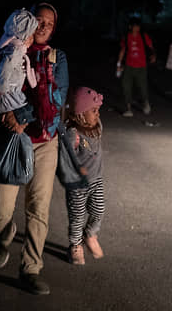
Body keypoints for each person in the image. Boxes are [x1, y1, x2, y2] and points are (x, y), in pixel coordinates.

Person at [0, 2, 67, 296]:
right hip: (9, 140)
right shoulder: (9, 47)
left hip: (43, 143)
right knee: (0, 206)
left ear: (54, 29)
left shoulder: (58, 59)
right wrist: (1, 111)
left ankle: (30, 269)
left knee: (38, 208)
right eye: (38, 20)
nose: (42, 26)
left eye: (49, 23)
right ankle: (4, 235)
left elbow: (56, 101)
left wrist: (22, 117)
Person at [57, 87, 106, 265]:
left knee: (99, 209)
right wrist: (77, 169)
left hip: (96, 179)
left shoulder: (96, 127)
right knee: (77, 217)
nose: (97, 115)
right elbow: (65, 156)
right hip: (78, 184)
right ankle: (75, 245)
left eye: (98, 111)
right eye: (93, 111)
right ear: (80, 114)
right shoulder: (73, 134)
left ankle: (90, 234)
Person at [0, 8, 38, 125]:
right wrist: (1, 89)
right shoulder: (15, 50)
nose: (32, 41)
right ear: (25, 36)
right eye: (31, 36)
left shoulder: (4, 46)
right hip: (5, 96)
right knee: (28, 110)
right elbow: (6, 68)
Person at [117, 15, 155, 117]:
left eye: (138, 26)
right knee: (126, 87)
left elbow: (150, 47)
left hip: (141, 66)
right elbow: (123, 50)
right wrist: (119, 64)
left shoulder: (143, 36)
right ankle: (128, 109)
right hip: (129, 66)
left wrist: (153, 55)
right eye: (134, 26)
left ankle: (145, 103)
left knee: (142, 87)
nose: (136, 28)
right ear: (130, 27)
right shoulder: (126, 37)